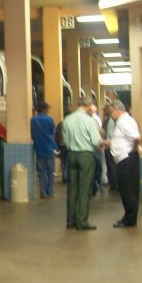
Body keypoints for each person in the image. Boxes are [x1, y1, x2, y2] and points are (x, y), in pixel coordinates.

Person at [62, 97, 102, 230]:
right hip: (86, 156)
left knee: (72, 189)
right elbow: (96, 142)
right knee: (85, 190)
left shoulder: (67, 120)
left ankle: (70, 220)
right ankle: (82, 221)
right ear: (89, 105)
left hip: (71, 155)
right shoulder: (90, 121)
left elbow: (66, 141)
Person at [106, 100, 141, 228]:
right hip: (124, 159)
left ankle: (130, 219)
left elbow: (136, 137)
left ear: (117, 110)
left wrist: (135, 148)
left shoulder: (125, 121)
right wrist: (109, 142)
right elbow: (122, 139)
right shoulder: (123, 121)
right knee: (126, 190)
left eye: (111, 112)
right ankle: (128, 216)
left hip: (126, 159)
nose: (111, 115)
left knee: (128, 191)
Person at [31, 101, 58, 198]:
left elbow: (33, 134)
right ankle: (50, 192)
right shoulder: (49, 119)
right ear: (45, 109)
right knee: (50, 172)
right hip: (49, 148)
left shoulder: (33, 120)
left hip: (39, 149)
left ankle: (43, 192)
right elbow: (52, 132)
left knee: (42, 172)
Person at [88, 104, 104, 196]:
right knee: (97, 167)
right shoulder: (96, 120)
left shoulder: (92, 120)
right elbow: (100, 132)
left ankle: (94, 186)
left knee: (93, 169)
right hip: (96, 148)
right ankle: (97, 183)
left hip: (91, 149)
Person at [103, 104, 118, 190]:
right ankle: (112, 182)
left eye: (105, 110)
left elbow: (111, 134)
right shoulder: (107, 119)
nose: (104, 111)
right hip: (108, 145)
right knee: (110, 165)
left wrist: (108, 144)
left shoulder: (112, 121)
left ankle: (114, 183)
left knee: (112, 165)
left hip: (111, 146)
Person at [55, 115, 69, 183]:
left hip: (61, 145)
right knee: (68, 162)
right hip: (69, 145)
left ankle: (64, 176)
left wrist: (57, 146)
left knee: (63, 162)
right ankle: (66, 177)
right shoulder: (70, 124)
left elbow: (56, 135)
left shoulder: (60, 124)